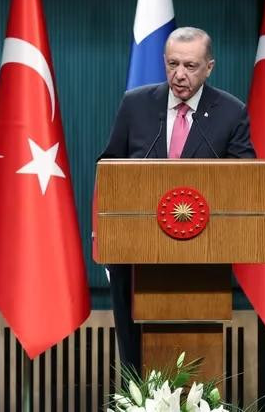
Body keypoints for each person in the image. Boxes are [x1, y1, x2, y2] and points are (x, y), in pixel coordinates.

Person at [99, 26, 255, 371]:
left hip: (202, 259)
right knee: (134, 350)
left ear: (209, 67)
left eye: (190, 66)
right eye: (172, 64)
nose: (179, 75)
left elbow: (244, 175)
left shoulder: (231, 111)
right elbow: (108, 167)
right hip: (137, 255)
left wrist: (261, 177)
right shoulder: (136, 105)